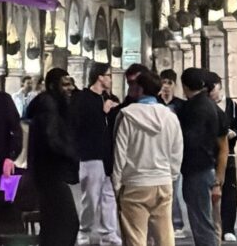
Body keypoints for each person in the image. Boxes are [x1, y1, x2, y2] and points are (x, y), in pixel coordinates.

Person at [112, 71, 183, 246]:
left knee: (135, 237)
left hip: (135, 182)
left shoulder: (128, 115)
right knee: (165, 237)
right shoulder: (170, 116)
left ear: (139, 89)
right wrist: (172, 175)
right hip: (163, 181)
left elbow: (120, 152)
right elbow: (177, 151)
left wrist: (116, 183)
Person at [70, 62, 122, 246]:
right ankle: (84, 230)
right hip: (90, 154)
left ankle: (108, 232)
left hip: (109, 155)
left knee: (109, 196)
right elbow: (79, 125)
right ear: (100, 77)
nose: (111, 79)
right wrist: (103, 112)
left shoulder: (110, 98)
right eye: (109, 75)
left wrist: (112, 111)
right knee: (91, 197)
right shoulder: (83, 98)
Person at [26, 68, 79, 246]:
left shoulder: (53, 105)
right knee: (67, 222)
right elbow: (52, 139)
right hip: (51, 173)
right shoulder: (49, 106)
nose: (70, 88)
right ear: (53, 86)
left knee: (53, 223)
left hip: (48, 173)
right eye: (65, 84)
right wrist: (72, 154)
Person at [178, 68, 228, 246]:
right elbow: (223, 146)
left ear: (185, 86)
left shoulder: (189, 109)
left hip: (195, 170)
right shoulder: (214, 108)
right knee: (210, 222)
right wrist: (219, 178)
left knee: (201, 224)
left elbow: (188, 141)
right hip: (210, 169)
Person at [205, 72, 237, 243]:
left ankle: (228, 228)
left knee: (229, 191)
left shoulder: (231, 106)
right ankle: (212, 227)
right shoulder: (205, 106)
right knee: (209, 192)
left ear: (219, 86)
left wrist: (234, 133)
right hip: (209, 154)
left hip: (228, 152)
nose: (211, 93)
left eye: (213, 88)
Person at [159, 69, 186, 239]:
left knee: (174, 190)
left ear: (175, 85)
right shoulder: (155, 103)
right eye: (163, 82)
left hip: (176, 152)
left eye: (169, 83)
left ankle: (177, 223)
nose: (166, 86)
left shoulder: (181, 105)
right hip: (159, 151)